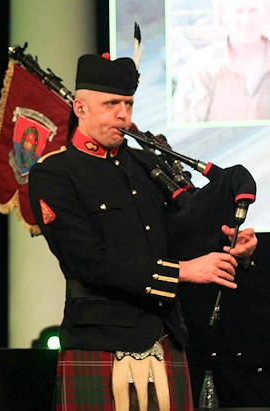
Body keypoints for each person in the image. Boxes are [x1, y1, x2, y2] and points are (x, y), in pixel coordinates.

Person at [28, 53, 257, 410]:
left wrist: (230, 242)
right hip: (97, 339)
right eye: (111, 104)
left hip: (165, 335)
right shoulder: (54, 174)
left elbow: (183, 233)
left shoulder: (145, 166)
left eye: (128, 104)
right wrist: (181, 271)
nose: (123, 114)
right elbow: (86, 260)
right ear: (80, 107)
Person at [172, 0, 270, 123]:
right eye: (238, 11)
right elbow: (185, 125)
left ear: (266, 14)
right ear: (225, 15)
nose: (246, 21)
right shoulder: (200, 66)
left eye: (254, 10)